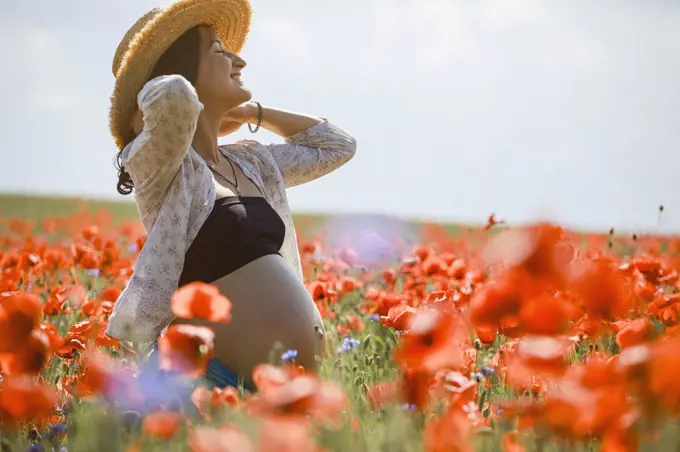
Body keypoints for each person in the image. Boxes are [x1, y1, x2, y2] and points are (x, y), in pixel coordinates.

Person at [105, 0, 357, 392]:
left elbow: (337, 146)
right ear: (183, 69)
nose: (239, 60)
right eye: (220, 50)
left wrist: (252, 112)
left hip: (280, 393)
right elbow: (171, 95)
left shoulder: (253, 162)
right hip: (207, 382)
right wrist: (164, 70)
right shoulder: (165, 168)